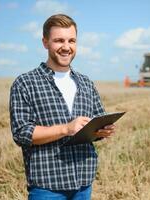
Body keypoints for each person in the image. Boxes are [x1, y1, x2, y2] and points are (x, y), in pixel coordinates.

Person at [9, 14, 115, 199]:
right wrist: (66, 128)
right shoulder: (25, 83)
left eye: (72, 40)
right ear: (45, 42)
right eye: (59, 40)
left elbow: (96, 120)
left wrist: (101, 131)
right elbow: (21, 133)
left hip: (83, 183)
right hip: (47, 187)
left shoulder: (86, 83)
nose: (66, 47)